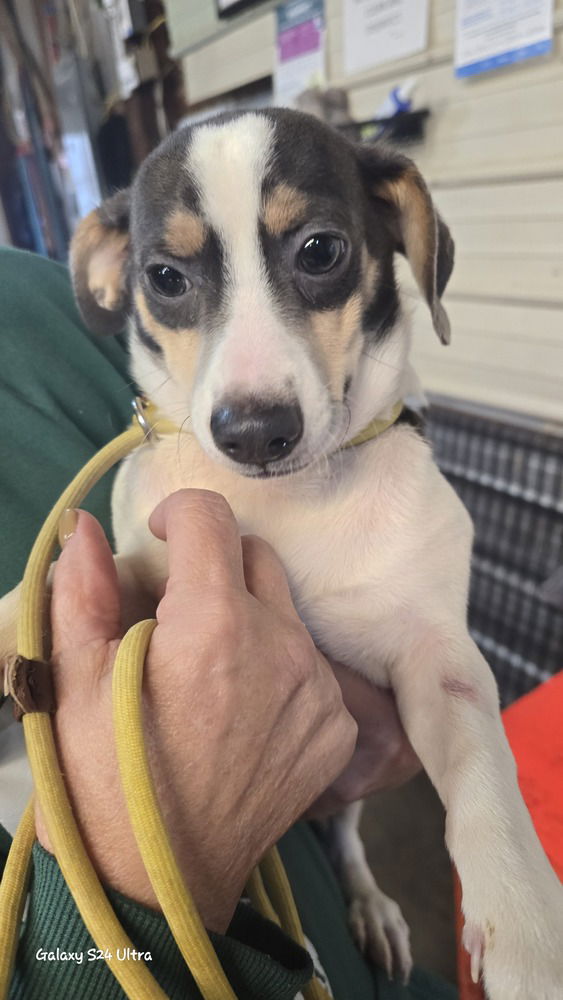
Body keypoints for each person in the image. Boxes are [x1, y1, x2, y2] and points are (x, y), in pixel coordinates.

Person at [0, 246, 457, 999]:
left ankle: (352, 868)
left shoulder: (52, 303)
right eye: (169, 278)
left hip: (337, 933)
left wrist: (395, 717)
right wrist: (147, 886)